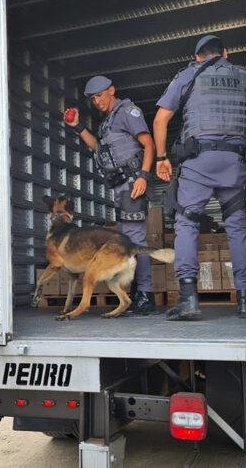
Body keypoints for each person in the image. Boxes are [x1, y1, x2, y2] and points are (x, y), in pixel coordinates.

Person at [153, 35, 246, 321]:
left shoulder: (189, 75)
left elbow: (160, 119)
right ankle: (245, 300)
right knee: (238, 227)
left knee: (187, 224)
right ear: (226, 54)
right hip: (234, 163)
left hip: (198, 163)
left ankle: (189, 300)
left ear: (198, 57)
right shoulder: (245, 79)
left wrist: (161, 158)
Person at [63, 75, 157, 316]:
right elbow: (96, 147)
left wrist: (143, 177)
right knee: (125, 242)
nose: (97, 101)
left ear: (112, 90)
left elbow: (148, 144)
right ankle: (136, 295)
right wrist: (78, 127)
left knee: (134, 240)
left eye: (100, 95)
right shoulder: (107, 122)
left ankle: (145, 296)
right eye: (93, 98)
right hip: (120, 187)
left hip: (132, 183)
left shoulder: (128, 112)